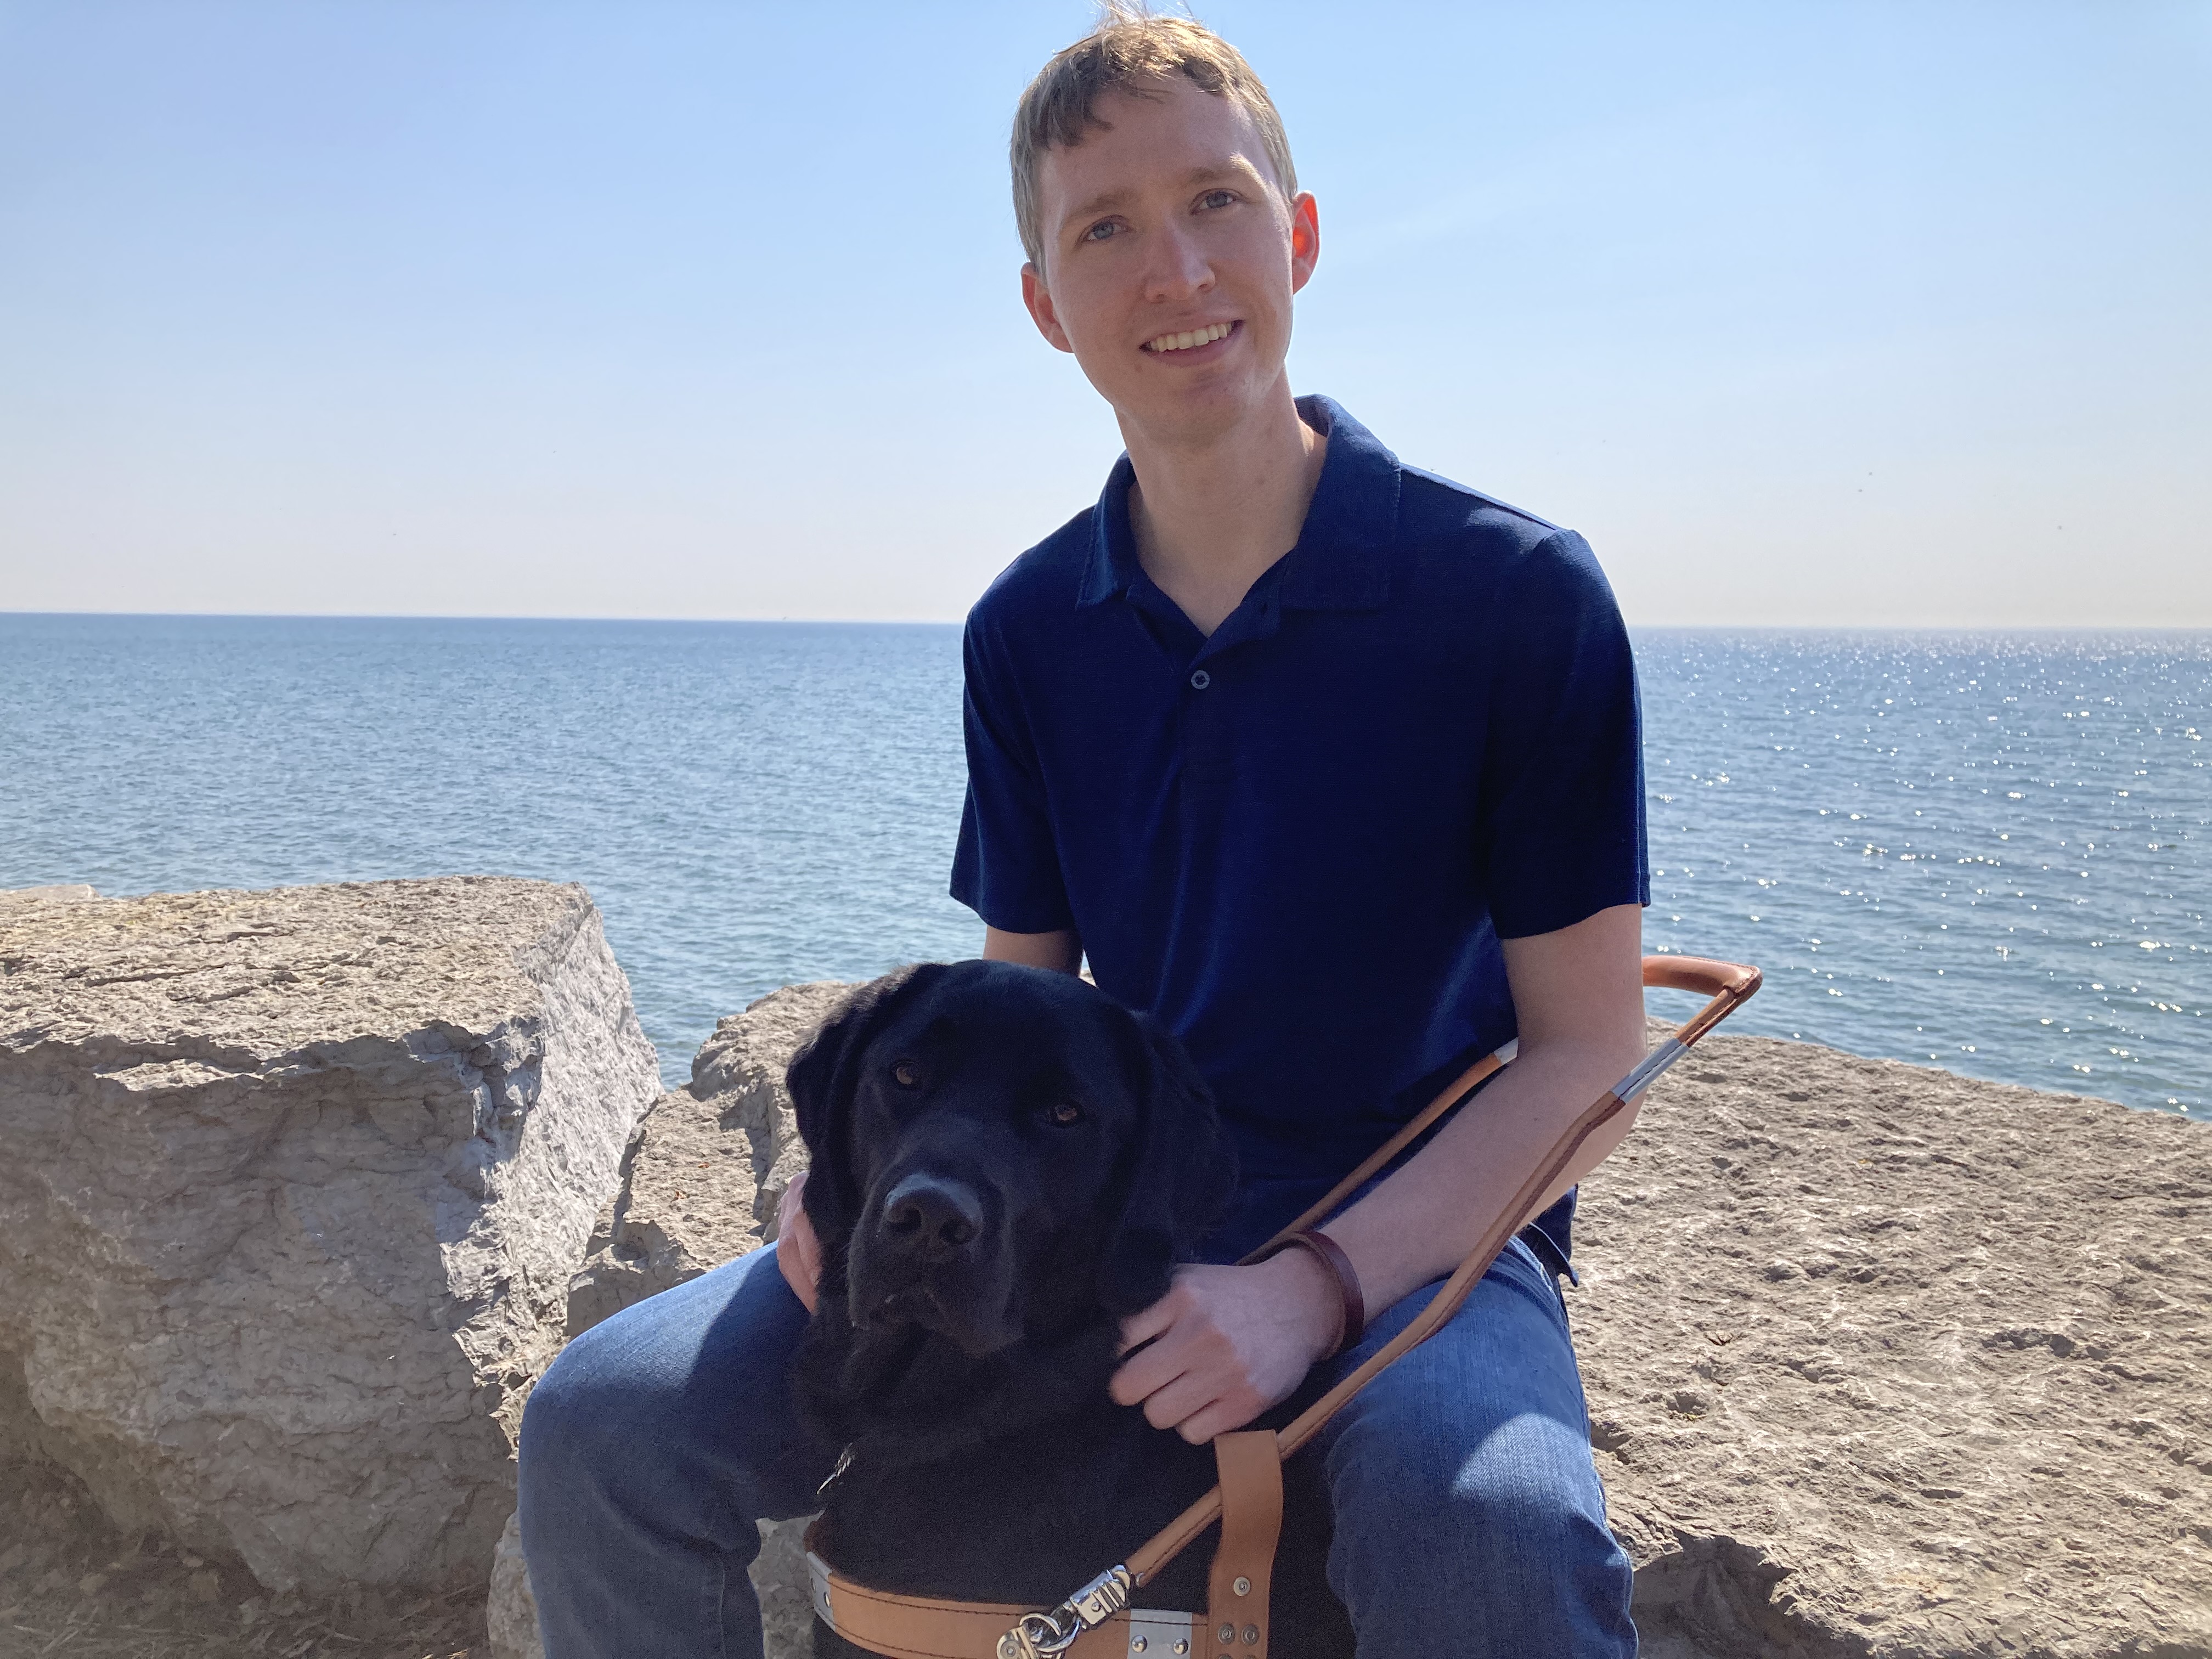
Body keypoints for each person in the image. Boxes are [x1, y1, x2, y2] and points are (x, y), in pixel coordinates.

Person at [518, 8, 1651, 1655]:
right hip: (1098, 1206)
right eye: (1104, 231)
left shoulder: (1518, 599)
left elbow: (1583, 1060)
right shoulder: (1030, 626)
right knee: (605, 1428)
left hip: (1427, 1231)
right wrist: (852, 1182)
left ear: (1301, 235)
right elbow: (1014, 1010)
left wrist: (1312, 1287)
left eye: (1215, 204)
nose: (1174, 270)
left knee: (1484, 1528)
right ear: (1047, 306)